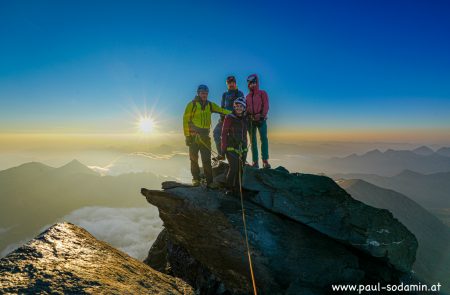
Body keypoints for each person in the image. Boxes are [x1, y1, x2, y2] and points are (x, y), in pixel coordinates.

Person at [183, 84, 231, 188]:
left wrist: (234, 113)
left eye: (206, 93)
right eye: (202, 93)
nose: (204, 95)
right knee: (194, 159)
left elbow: (221, 110)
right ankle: (195, 179)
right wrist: (187, 136)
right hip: (194, 137)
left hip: (205, 136)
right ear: (198, 93)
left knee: (206, 160)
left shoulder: (210, 105)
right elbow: (185, 120)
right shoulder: (192, 105)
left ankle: (210, 182)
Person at [213, 75, 245, 161]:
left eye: (232, 82)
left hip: (236, 120)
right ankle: (221, 154)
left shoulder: (240, 93)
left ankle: (238, 157)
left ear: (235, 83)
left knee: (236, 138)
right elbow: (222, 107)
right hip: (225, 119)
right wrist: (222, 117)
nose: (231, 84)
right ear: (227, 84)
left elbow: (242, 106)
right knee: (216, 132)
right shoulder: (225, 94)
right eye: (229, 83)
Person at [221, 97, 248, 195]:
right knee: (234, 168)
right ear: (234, 107)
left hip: (242, 147)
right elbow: (224, 134)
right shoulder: (229, 117)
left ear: (244, 108)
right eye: (236, 106)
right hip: (231, 146)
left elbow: (245, 134)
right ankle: (228, 188)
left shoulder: (245, 118)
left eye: (241, 106)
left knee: (241, 168)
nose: (238, 108)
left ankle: (237, 188)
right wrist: (223, 150)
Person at [246, 74, 271, 169]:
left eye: (254, 82)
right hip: (251, 121)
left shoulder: (262, 93)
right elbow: (246, 109)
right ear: (248, 85)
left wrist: (261, 116)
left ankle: (265, 161)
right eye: (250, 83)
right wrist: (249, 117)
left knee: (264, 139)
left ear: (257, 82)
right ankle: (255, 162)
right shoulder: (247, 97)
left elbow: (266, 106)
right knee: (253, 142)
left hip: (261, 120)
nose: (252, 85)